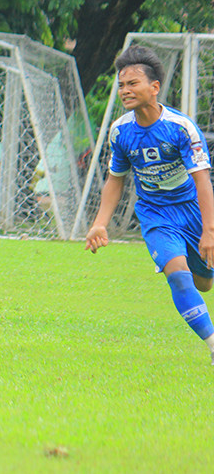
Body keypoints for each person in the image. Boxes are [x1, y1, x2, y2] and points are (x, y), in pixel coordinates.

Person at [85, 45, 214, 364]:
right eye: (121, 86)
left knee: (204, 282)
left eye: (132, 84)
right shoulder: (121, 131)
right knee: (179, 276)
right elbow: (115, 179)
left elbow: (202, 181)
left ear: (154, 87)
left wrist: (209, 230)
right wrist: (100, 222)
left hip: (193, 209)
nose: (125, 91)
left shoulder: (180, 127)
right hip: (156, 214)